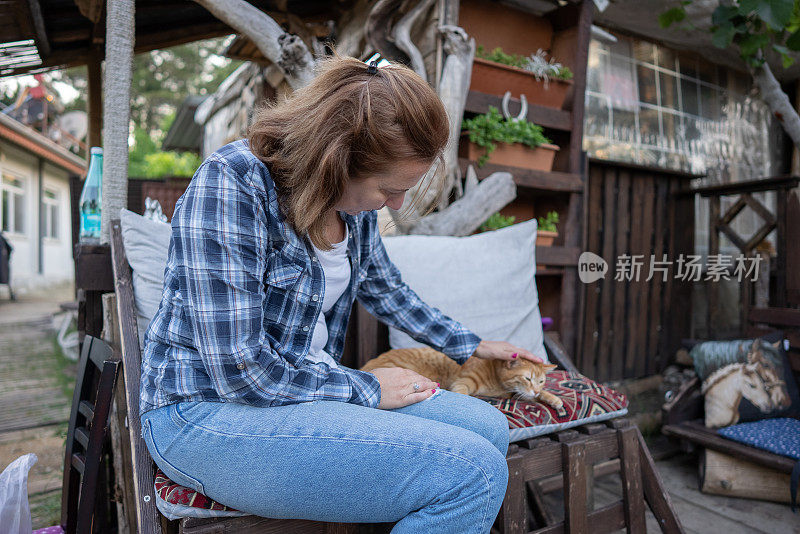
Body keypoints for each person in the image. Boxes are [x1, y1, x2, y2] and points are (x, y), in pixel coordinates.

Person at [138, 49, 542, 533]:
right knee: (471, 472)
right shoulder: (235, 182)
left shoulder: (357, 211)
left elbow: (388, 291)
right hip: (205, 414)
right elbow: (238, 371)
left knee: (490, 428)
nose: (395, 204)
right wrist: (367, 389)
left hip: (304, 392)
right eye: (389, 189)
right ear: (336, 158)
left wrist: (473, 345)